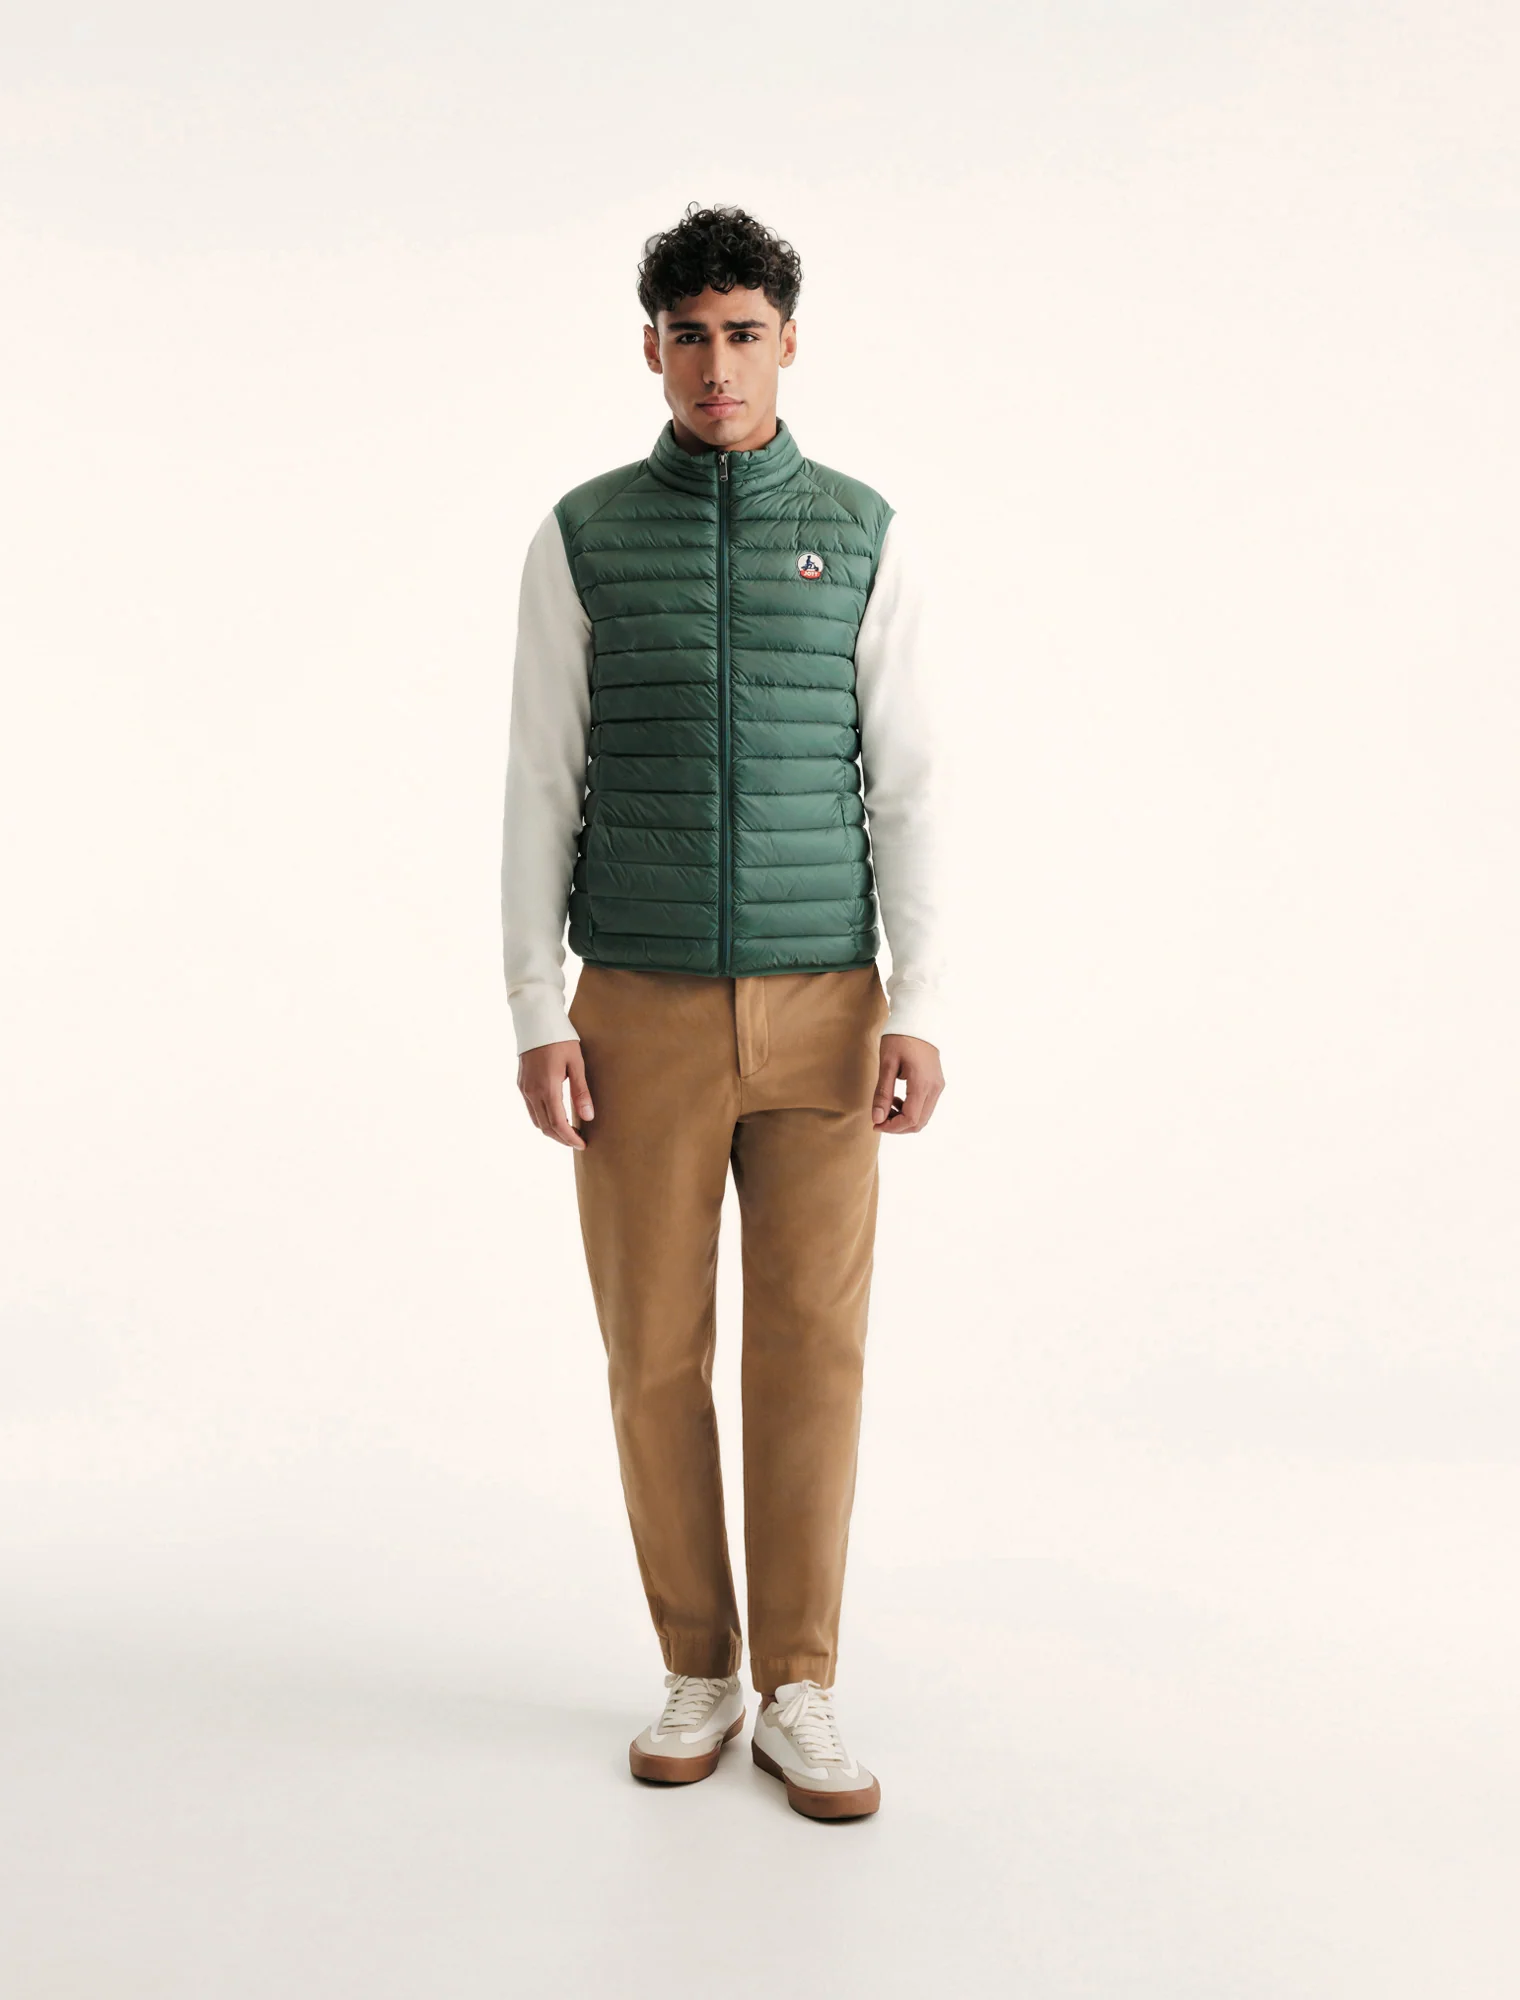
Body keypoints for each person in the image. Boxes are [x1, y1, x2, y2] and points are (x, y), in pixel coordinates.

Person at [500, 202, 947, 1821]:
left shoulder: (863, 532)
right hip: (635, 1010)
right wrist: (535, 1007)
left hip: (829, 1006)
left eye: (744, 333)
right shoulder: (583, 537)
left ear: (789, 341)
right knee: (653, 1352)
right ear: (651, 347)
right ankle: (701, 1664)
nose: (717, 364)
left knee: (815, 1351)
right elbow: (541, 776)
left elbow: (907, 778)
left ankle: (801, 1685)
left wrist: (922, 1000)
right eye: (688, 335)